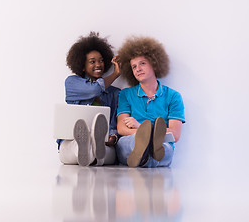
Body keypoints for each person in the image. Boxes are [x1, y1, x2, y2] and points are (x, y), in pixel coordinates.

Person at [115, 36, 185, 167]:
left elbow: (175, 135)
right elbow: (121, 128)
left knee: (166, 147)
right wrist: (146, 135)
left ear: (154, 64)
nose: (138, 69)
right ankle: (148, 155)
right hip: (133, 140)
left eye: (142, 63)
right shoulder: (125, 94)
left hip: (161, 143)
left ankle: (144, 158)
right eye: (134, 66)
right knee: (126, 142)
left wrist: (139, 126)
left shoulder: (173, 96)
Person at [57, 32, 121, 166]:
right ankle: (86, 147)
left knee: (109, 153)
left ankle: (93, 149)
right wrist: (115, 74)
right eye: (92, 62)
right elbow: (94, 89)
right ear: (82, 66)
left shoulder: (115, 93)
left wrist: (112, 138)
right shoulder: (72, 83)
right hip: (71, 141)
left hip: (104, 144)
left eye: (101, 60)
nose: (99, 64)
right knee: (76, 147)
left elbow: (114, 123)